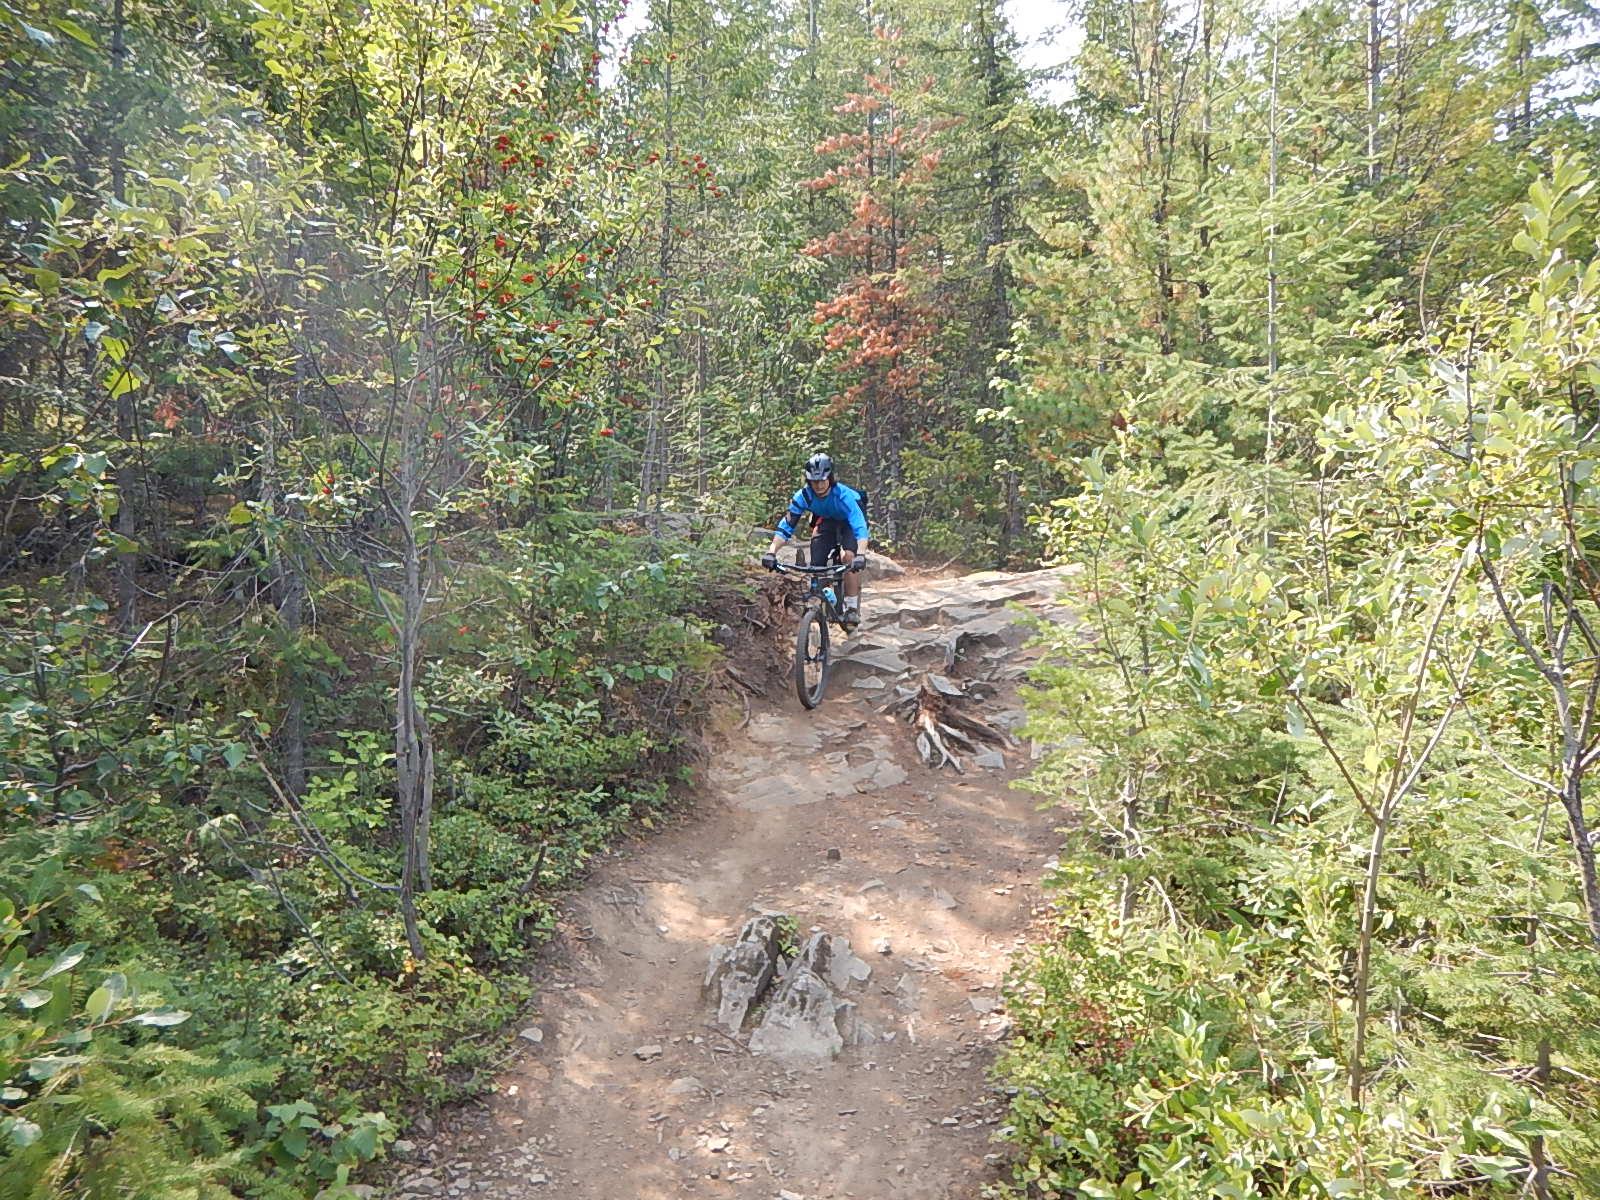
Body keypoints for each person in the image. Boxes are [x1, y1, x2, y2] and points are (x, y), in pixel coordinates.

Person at [761, 453, 869, 629]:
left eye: (822, 480)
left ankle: (851, 607)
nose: (818, 485)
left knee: (849, 557)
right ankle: (820, 600)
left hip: (849, 523)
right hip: (826, 519)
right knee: (816, 563)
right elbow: (787, 525)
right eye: (814, 481)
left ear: (830, 478)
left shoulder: (844, 496)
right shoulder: (803, 496)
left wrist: (861, 555)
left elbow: (859, 527)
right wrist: (771, 552)